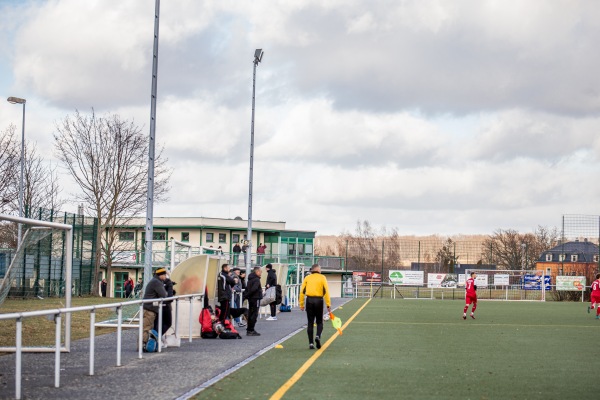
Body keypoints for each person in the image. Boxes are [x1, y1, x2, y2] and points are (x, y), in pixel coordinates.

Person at [299, 264, 331, 350]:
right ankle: (317, 336)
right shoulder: (322, 277)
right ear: (317, 269)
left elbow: (302, 291)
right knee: (319, 321)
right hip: (319, 300)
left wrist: (301, 304)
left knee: (310, 322)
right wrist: (328, 304)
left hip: (309, 300)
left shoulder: (307, 278)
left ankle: (311, 343)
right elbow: (326, 291)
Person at [142, 268, 168, 349]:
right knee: (147, 327)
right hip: (150, 308)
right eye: (165, 275)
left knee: (147, 327)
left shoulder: (155, 281)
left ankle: (145, 345)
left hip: (149, 308)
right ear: (161, 275)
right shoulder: (157, 282)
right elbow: (164, 294)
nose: (166, 277)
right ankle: (143, 345)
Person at [244, 266, 263, 336]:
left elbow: (247, 288)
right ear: (257, 271)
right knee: (254, 314)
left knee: (251, 313)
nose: (261, 273)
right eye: (260, 272)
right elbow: (254, 289)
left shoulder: (250, 279)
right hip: (255, 298)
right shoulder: (256, 280)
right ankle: (251, 329)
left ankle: (249, 329)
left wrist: (246, 295)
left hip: (251, 298)